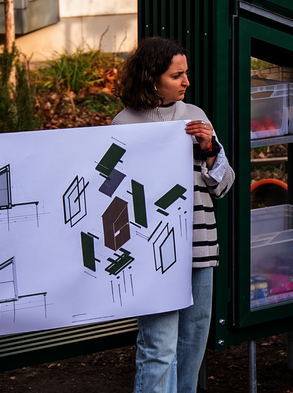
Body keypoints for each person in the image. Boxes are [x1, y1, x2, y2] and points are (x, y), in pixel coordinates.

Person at [113, 37, 235, 393]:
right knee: (159, 346)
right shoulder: (124, 125)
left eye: (186, 73)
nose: (186, 82)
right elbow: (114, 194)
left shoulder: (195, 116)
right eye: (177, 75)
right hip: (154, 252)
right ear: (152, 79)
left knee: (194, 341)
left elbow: (225, 186)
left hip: (200, 244)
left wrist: (210, 149)